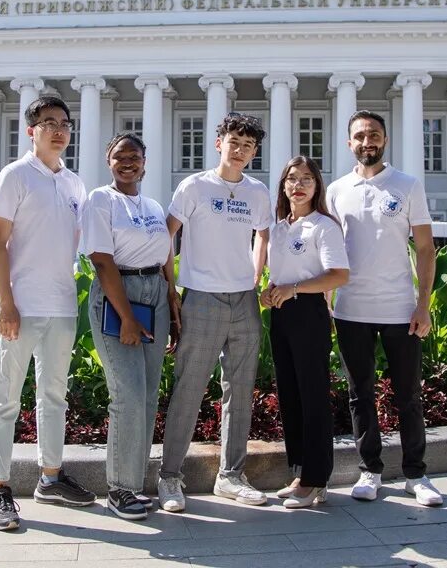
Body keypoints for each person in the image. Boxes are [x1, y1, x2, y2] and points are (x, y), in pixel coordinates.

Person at [0, 96, 95, 531]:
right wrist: (6, 302)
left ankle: (51, 477)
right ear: (31, 130)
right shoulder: (14, 176)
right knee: (5, 399)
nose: (58, 130)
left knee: (54, 397)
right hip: (21, 307)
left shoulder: (74, 184)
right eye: (48, 123)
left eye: (64, 123)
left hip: (62, 306)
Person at [326, 110, 444, 507]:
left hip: (399, 309)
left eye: (373, 135)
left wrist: (422, 304)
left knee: (408, 395)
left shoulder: (408, 186)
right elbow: (327, 252)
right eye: (359, 136)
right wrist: (326, 306)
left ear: (385, 140)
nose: (366, 142)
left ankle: (417, 474)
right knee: (360, 395)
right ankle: (370, 470)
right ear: (349, 144)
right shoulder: (336, 190)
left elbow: (426, 249)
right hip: (351, 309)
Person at [157, 112, 271, 512]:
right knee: (189, 388)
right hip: (201, 298)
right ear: (218, 142)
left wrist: (255, 278)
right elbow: (165, 237)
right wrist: (172, 290)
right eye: (233, 142)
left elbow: (263, 236)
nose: (239, 150)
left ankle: (231, 475)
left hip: (243, 302)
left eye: (248, 145)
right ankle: (169, 476)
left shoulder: (257, 192)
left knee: (239, 392)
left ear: (254, 152)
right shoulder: (194, 186)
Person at [81, 133, 181, 520]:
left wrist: (172, 299)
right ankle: (120, 488)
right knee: (127, 395)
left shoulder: (153, 205)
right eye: (120, 156)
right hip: (119, 292)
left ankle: (135, 483)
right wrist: (126, 317)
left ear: (145, 162)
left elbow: (165, 252)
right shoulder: (101, 200)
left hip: (154, 290)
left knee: (148, 395)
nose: (128, 162)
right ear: (109, 161)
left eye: (135, 156)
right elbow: (103, 261)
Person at [261, 156, 349, 509]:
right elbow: (279, 273)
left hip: (308, 312)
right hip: (282, 314)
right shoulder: (279, 227)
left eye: (307, 179)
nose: (298, 185)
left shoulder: (324, 226)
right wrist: (270, 290)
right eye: (292, 179)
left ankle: (316, 478)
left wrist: (294, 289)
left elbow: (338, 275)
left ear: (317, 186)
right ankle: (300, 473)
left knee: (312, 396)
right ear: (283, 185)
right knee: (290, 395)